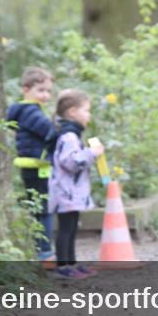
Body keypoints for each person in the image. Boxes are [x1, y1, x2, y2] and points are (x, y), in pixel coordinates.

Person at [46, 89, 104, 280]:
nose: (89, 115)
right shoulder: (68, 136)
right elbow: (70, 162)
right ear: (72, 112)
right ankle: (63, 266)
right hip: (66, 193)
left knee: (71, 228)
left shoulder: (72, 135)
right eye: (86, 110)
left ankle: (72, 263)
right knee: (65, 229)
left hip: (72, 193)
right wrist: (91, 153)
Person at [6, 67, 57, 263]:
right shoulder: (31, 112)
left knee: (38, 208)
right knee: (44, 209)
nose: (46, 95)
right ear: (26, 89)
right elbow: (50, 132)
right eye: (41, 90)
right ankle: (45, 252)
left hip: (32, 167)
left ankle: (41, 249)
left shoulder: (24, 111)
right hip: (37, 167)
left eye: (49, 91)